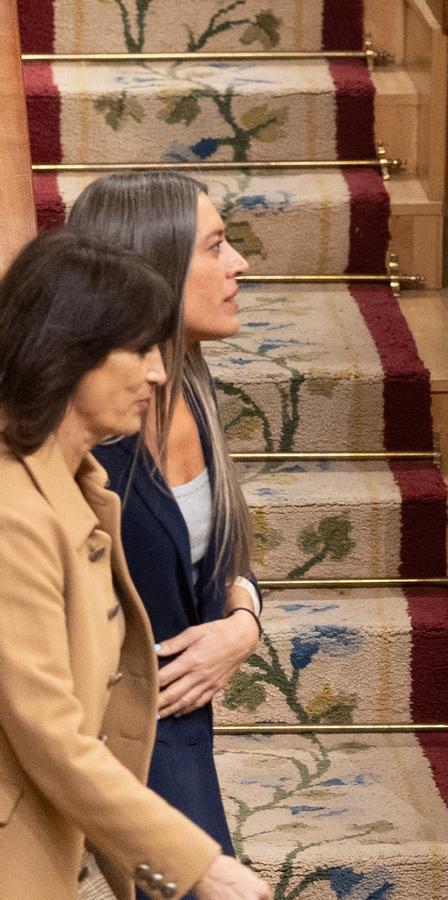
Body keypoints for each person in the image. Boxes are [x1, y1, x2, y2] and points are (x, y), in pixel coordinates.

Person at [0, 229, 271, 900]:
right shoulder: (12, 514)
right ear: (69, 352)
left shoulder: (82, 487)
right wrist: (201, 867)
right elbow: (50, 736)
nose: (158, 372)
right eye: (141, 349)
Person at [67, 172, 262, 874]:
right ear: (153, 272)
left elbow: (224, 553)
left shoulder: (193, 385)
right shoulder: (91, 438)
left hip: (178, 729)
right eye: (215, 247)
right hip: (110, 733)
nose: (239, 263)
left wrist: (244, 623)